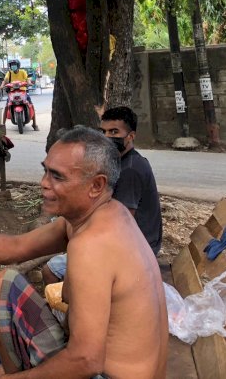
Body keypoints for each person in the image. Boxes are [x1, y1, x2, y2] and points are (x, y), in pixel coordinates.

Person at [0, 126, 168, 379]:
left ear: (96, 185)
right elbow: (16, 248)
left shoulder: (91, 246)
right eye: (45, 171)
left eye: (57, 177)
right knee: (3, 284)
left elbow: (86, 360)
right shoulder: (108, 214)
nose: (44, 183)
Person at [42, 106, 162, 284]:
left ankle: (65, 308)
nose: (107, 137)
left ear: (131, 136)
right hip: (133, 243)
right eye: (103, 131)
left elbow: (122, 225)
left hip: (136, 248)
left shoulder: (130, 170)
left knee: (51, 269)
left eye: (114, 132)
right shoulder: (121, 162)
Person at [0, 60, 38, 131]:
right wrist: (2, 86)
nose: (13, 66)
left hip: (23, 91)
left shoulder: (23, 72)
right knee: (6, 106)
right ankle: (3, 125)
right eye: (11, 65)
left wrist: (29, 83)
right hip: (12, 92)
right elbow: (5, 80)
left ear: (18, 65)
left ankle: (34, 124)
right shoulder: (9, 73)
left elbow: (27, 80)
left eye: (14, 64)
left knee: (31, 105)